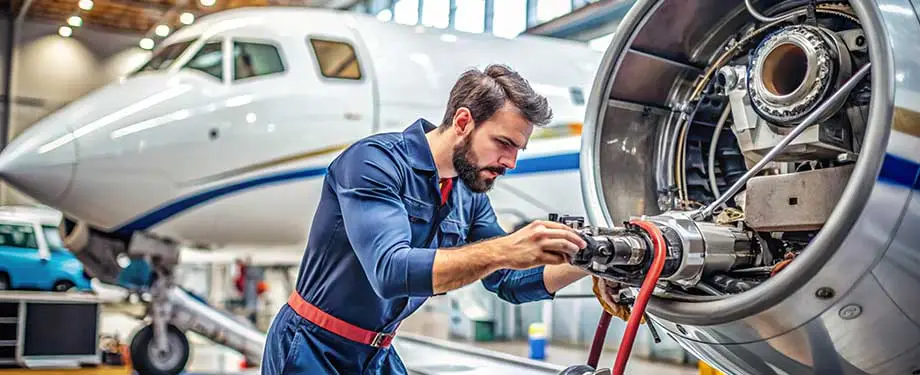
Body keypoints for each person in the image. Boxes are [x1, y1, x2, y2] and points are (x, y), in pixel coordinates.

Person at [262, 64, 620, 374]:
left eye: (517, 149)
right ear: (463, 121)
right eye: (503, 143)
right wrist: (507, 248)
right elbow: (390, 271)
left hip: (377, 353)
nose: (510, 162)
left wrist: (590, 262)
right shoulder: (374, 163)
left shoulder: (467, 194)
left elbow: (508, 280)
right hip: (312, 346)